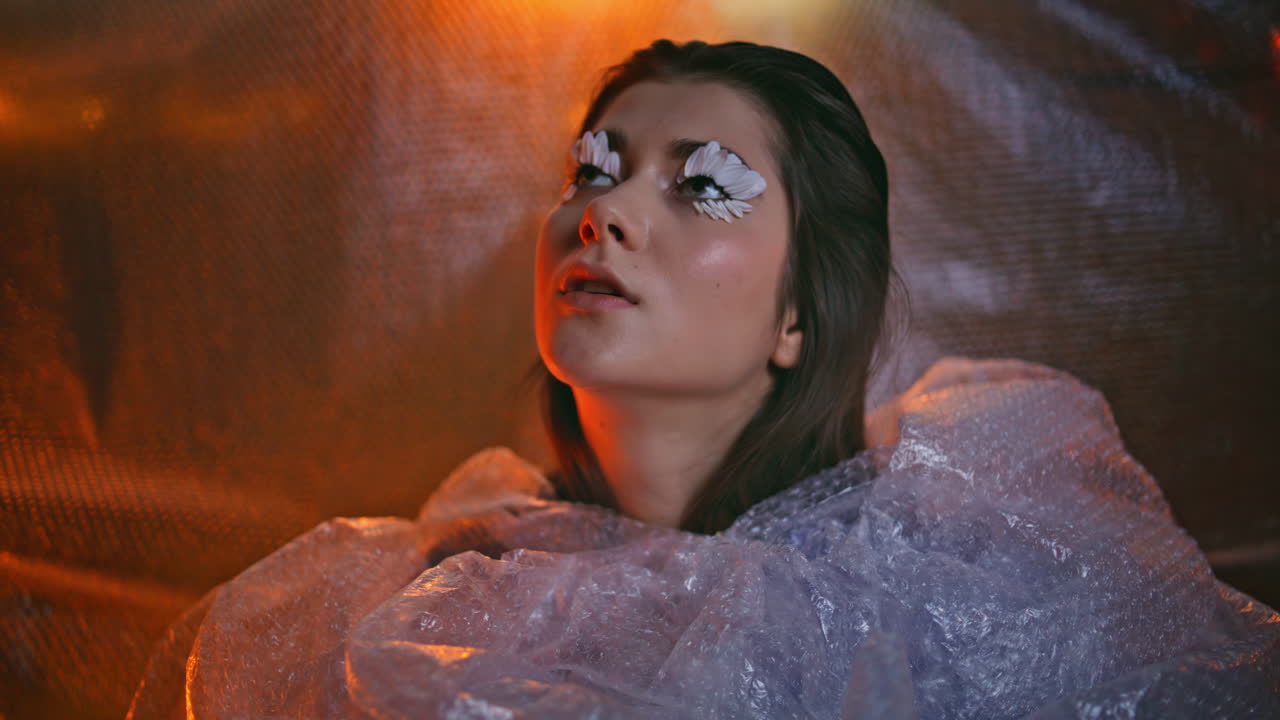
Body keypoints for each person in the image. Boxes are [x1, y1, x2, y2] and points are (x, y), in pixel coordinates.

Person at [128, 40, 1279, 719]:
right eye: (593, 169)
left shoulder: (961, 578)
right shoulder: (439, 605)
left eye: (705, 186)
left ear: (797, 312)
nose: (603, 213)